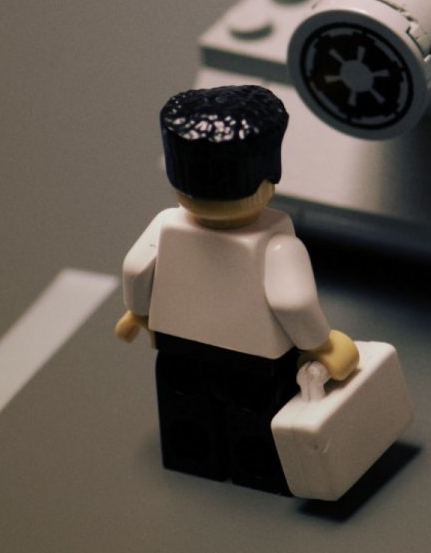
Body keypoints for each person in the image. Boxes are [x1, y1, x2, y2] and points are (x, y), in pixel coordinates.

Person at [116, 84, 358, 493]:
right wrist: (320, 343)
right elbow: (292, 301)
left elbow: (136, 269)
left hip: (178, 348)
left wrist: (138, 312)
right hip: (256, 361)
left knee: (188, 414)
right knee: (256, 425)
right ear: (267, 176)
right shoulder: (274, 240)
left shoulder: (166, 225)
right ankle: (258, 473)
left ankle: (192, 458)